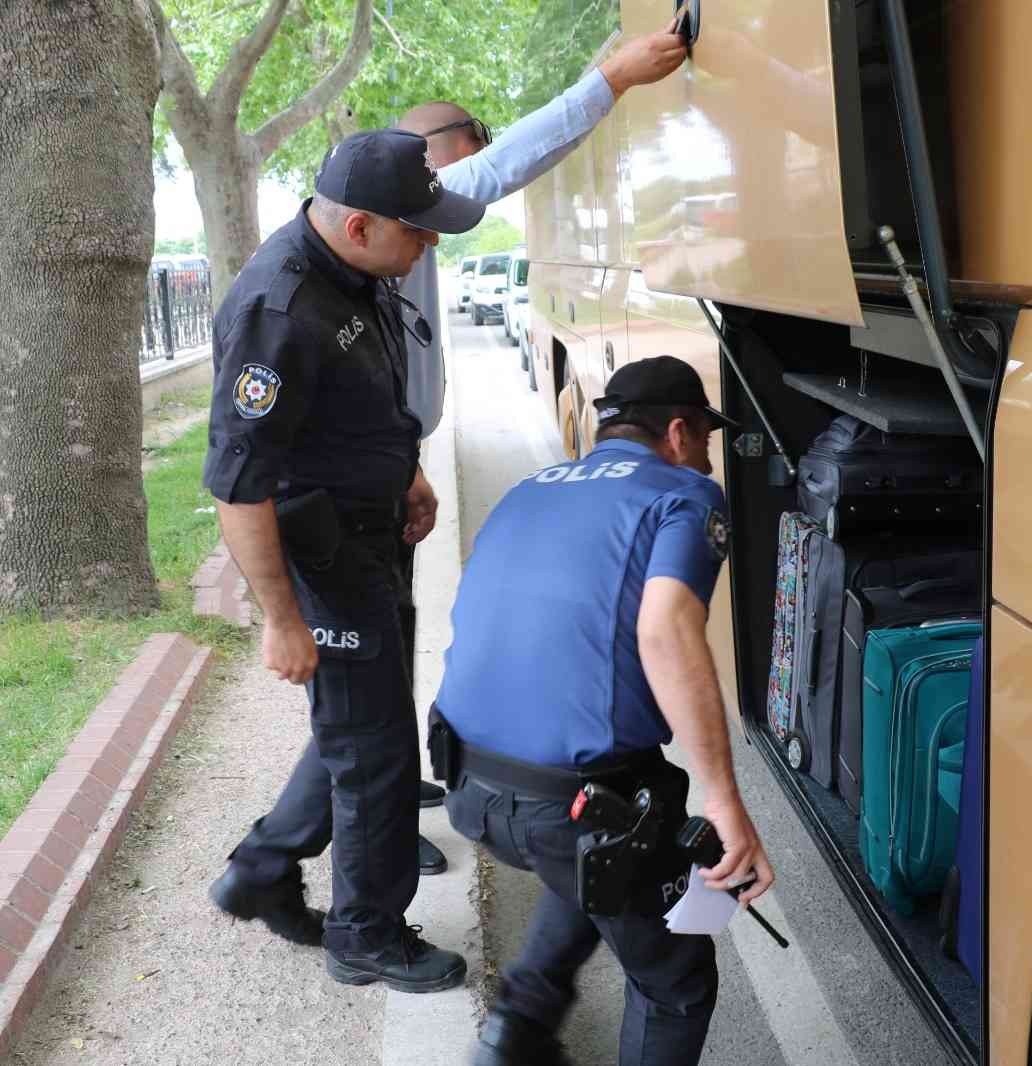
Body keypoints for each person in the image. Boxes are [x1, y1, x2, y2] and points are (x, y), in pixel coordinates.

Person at [387, 23, 690, 870]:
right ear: (434, 158)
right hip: (352, 492)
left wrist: (406, 456)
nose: (452, 222)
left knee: (374, 678)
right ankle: (299, 860)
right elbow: (497, 169)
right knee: (358, 689)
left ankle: (381, 797)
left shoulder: (391, 221)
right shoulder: (398, 194)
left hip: (384, 470)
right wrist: (610, 78)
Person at [201, 128, 484, 993]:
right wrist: (283, 621)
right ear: (359, 224)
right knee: (375, 751)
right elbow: (239, 483)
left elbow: (362, 406)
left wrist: (410, 475)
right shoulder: (278, 310)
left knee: (362, 727)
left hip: (372, 534)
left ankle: (259, 871)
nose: (428, 241)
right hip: (326, 557)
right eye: (418, 228)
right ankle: (365, 934)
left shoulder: (354, 272)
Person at [433, 357, 776, 1066]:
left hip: (467, 783)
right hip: (563, 806)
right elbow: (666, 629)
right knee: (675, 982)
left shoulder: (530, 489)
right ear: (678, 431)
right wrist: (723, 799)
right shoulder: (683, 492)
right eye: (705, 436)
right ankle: (516, 1033)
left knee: (607, 858)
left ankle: (514, 1034)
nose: (707, 453)